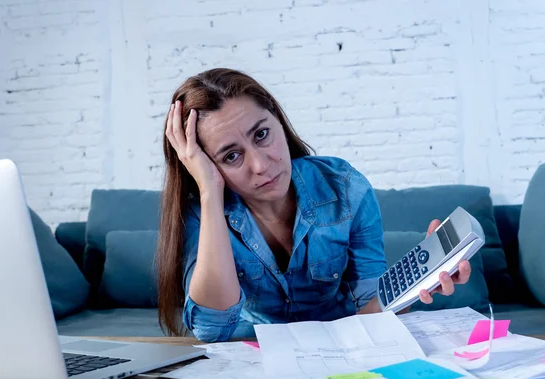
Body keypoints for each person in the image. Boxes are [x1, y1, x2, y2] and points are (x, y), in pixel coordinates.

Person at [156, 68, 472, 342]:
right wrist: (210, 193)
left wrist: (416, 287)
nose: (261, 165)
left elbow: (370, 311)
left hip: (347, 346)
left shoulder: (345, 188)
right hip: (262, 359)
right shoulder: (200, 214)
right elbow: (211, 329)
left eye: (262, 134)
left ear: (279, 121)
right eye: (231, 156)